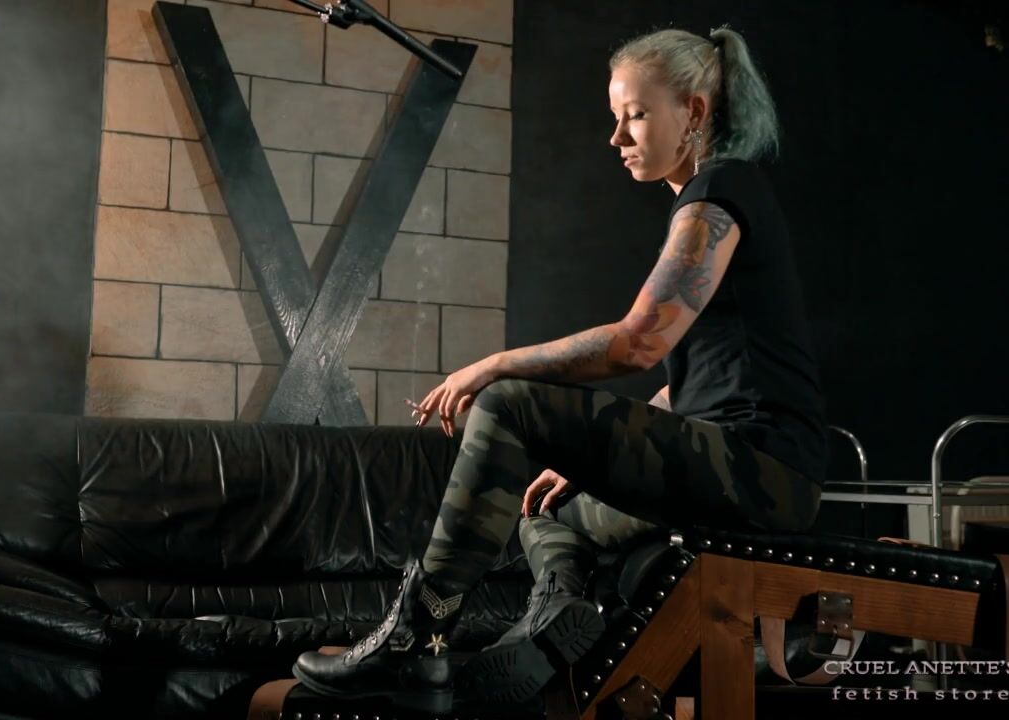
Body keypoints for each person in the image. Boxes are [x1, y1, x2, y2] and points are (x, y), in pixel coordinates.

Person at [292, 25, 827, 712]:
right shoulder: (710, 198)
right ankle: (555, 615)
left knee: (509, 404)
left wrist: (492, 365)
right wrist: (585, 460)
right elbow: (698, 380)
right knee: (546, 507)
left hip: (764, 471)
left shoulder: (718, 194)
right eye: (616, 117)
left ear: (694, 111)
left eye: (635, 115)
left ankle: (415, 638)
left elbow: (638, 344)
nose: (617, 136)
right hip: (734, 463)